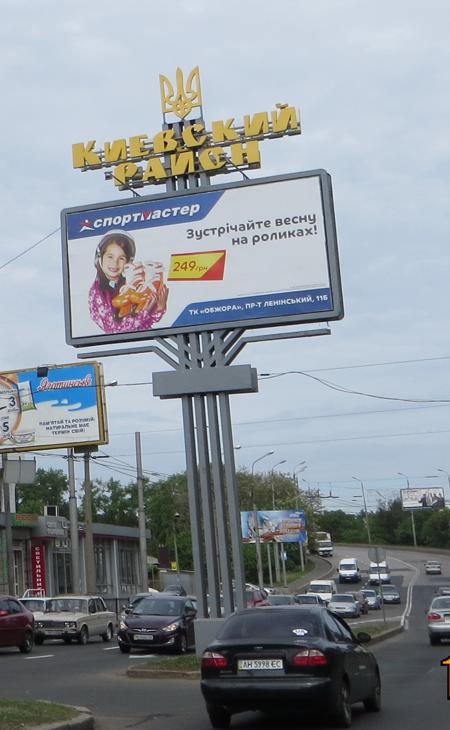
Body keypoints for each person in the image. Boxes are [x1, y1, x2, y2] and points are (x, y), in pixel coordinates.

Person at [88, 231, 168, 334]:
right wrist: (145, 312)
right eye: (110, 256)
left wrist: (158, 309)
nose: (115, 263)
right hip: (116, 344)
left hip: (142, 341)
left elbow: (144, 325)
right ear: (99, 258)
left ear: (129, 262)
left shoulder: (130, 284)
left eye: (121, 258)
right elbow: (115, 331)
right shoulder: (96, 292)